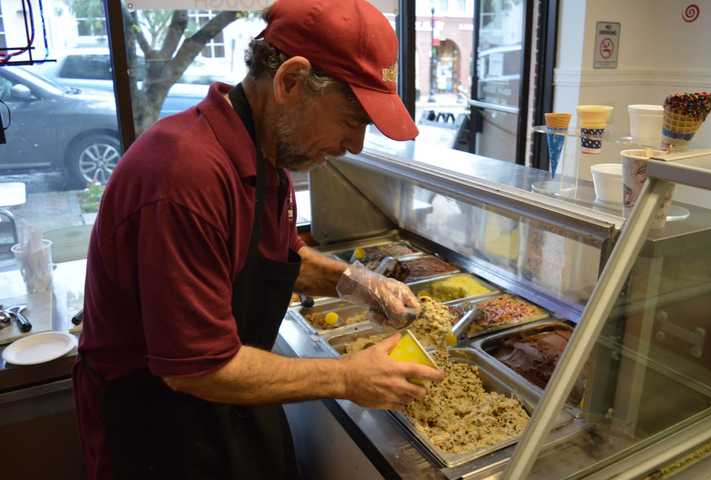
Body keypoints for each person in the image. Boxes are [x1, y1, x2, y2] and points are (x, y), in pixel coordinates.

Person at [73, 0, 444, 479]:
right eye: (352, 120)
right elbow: (195, 368)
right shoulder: (184, 177)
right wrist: (348, 377)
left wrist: (356, 281)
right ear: (290, 81)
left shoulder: (264, 157)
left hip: (223, 408)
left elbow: (274, 258)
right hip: (156, 428)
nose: (355, 145)